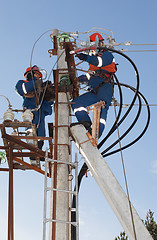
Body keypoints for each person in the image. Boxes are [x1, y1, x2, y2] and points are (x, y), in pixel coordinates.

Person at [71, 33, 116, 138]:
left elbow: (99, 62)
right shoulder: (92, 62)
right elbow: (89, 76)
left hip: (105, 88)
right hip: (94, 89)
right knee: (77, 103)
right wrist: (76, 80)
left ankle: (96, 133)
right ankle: (85, 122)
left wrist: (85, 57)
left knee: (101, 110)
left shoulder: (107, 55)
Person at [15, 65, 54, 153]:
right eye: (35, 74)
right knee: (30, 129)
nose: (37, 76)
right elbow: (21, 90)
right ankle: (32, 149)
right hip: (30, 110)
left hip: (40, 112)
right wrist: (35, 83)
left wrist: (49, 92)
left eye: (38, 75)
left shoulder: (41, 89)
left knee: (41, 133)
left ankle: (38, 151)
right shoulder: (23, 83)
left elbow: (48, 106)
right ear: (30, 74)